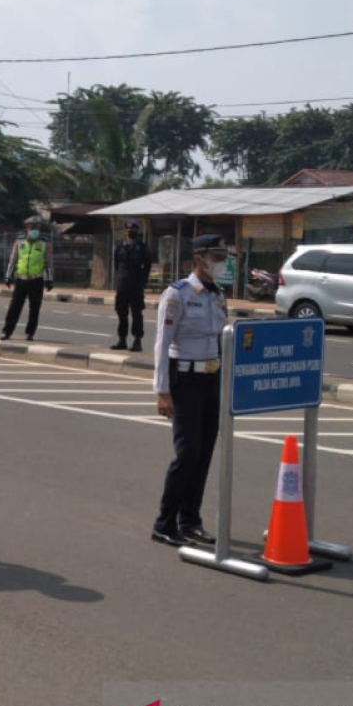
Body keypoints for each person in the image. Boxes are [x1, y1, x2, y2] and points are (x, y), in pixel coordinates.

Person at [150, 234, 230, 548]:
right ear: (199, 258)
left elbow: (222, 340)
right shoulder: (177, 294)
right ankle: (164, 523)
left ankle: (191, 519)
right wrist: (162, 391)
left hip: (211, 380)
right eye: (217, 256)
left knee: (205, 452)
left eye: (224, 256)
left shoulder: (217, 294)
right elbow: (161, 344)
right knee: (187, 454)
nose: (222, 262)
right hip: (184, 380)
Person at [0, 215, 54, 341]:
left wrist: (50, 280)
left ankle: (30, 333)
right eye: (31, 227)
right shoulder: (19, 242)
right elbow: (13, 260)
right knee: (14, 307)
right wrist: (8, 276)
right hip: (21, 279)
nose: (34, 229)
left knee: (34, 308)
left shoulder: (45, 243)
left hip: (37, 280)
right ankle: (7, 332)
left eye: (36, 227)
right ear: (26, 228)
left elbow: (49, 263)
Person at [111, 221, 153, 352]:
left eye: (134, 230)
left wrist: (143, 282)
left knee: (137, 314)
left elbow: (147, 266)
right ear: (125, 232)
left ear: (137, 232)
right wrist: (119, 281)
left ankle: (137, 341)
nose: (131, 232)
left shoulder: (142, 248)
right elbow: (117, 265)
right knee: (121, 313)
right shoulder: (119, 247)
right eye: (129, 230)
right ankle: (122, 340)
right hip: (122, 285)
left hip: (136, 286)